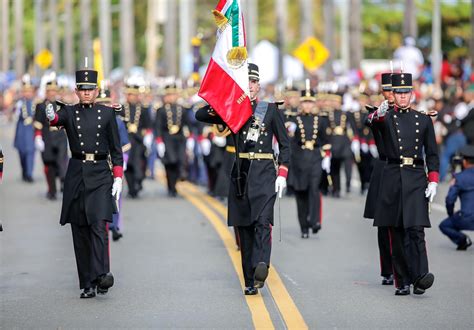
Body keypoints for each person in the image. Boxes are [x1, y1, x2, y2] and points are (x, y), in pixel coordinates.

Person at [195, 63, 290, 295]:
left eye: (253, 82)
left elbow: (286, 145)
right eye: (245, 82)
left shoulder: (269, 110)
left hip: (265, 172)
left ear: (259, 85)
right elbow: (200, 114)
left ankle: (261, 265)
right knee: (244, 228)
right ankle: (250, 280)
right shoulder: (231, 109)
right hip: (241, 174)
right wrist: (224, 97)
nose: (250, 86)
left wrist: (283, 173)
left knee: (263, 222)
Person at [45, 64, 123, 298]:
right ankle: (87, 282)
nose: (87, 93)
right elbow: (57, 118)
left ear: (97, 91)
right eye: (83, 89)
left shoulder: (108, 113)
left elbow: (116, 149)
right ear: (76, 91)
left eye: (91, 89)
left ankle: (101, 275)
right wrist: (50, 115)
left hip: (100, 173)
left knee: (99, 226)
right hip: (77, 173)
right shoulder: (70, 112)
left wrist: (118, 177)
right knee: (79, 229)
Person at [368, 72, 439, 296]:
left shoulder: (423, 119)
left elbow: (432, 153)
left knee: (416, 229)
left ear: (412, 94)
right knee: (396, 231)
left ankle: (420, 275)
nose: (402, 97)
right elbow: (372, 122)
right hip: (392, 175)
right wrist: (378, 113)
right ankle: (402, 280)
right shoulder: (386, 117)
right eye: (398, 93)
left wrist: (434, 179)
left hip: (416, 175)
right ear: (393, 95)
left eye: (406, 93)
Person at [287, 85, 331, 238]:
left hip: (315, 158)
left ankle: (315, 221)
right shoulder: (293, 119)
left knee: (314, 188)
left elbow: (326, 140)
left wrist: (326, 156)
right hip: (298, 159)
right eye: (304, 102)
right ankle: (303, 227)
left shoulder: (321, 120)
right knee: (301, 193)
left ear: (314, 104)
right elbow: (290, 139)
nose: (307, 105)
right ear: (301, 103)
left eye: (310, 102)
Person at [363, 73, 395, 286]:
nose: (392, 94)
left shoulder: (412, 113)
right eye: (388, 90)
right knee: (384, 225)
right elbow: (371, 122)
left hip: (406, 169)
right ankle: (388, 269)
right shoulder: (378, 113)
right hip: (384, 167)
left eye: (397, 90)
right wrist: (379, 114)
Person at [155, 84, 193, 197]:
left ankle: (177, 181)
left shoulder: (182, 108)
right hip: (167, 138)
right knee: (170, 162)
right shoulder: (161, 110)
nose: (171, 97)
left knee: (180, 160)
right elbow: (158, 126)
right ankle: (170, 186)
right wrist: (159, 141)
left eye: (173, 94)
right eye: (168, 95)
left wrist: (190, 138)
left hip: (180, 138)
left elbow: (187, 124)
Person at [34, 77, 69, 200]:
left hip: (60, 137)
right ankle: (52, 190)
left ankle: (64, 180)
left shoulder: (62, 105)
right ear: (47, 92)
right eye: (50, 91)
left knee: (61, 161)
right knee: (49, 165)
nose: (53, 93)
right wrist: (38, 137)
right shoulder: (41, 106)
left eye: (55, 90)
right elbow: (38, 123)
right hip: (47, 137)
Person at [121, 78, 152, 198]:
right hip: (127, 141)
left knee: (139, 164)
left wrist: (146, 135)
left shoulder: (143, 109)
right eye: (130, 94)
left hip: (139, 140)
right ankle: (131, 188)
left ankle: (139, 182)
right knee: (128, 165)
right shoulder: (122, 108)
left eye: (134, 94)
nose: (132, 97)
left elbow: (148, 124)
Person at [439, 145, 474, 250]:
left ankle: (462, 239)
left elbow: (450, 199)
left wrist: (451, 215)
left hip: (466, 218)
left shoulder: (459, 178)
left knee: (444, 225)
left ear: (464, 162)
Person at [13, 75, 37, 183]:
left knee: (30, 151)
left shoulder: (36, 103)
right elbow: (15, 115)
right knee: (22, 152)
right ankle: (24, 170)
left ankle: (29, 174)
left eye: (30, 91)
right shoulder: (19, 103)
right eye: (26, 91)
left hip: (31, 130)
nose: (28, 93)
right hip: (22, 130)